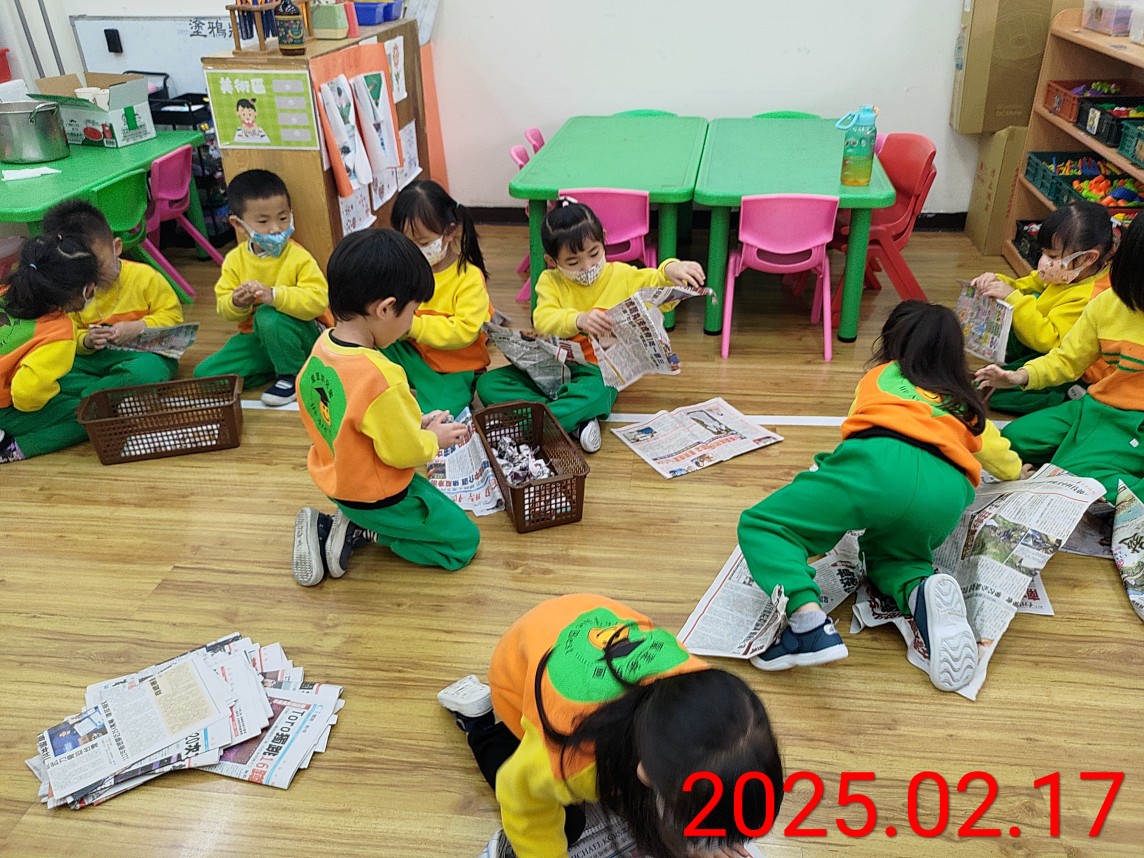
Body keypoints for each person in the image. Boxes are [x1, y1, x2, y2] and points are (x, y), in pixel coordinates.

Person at [739, 301, 1026, 693]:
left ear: (895, 344)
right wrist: (1020, 471)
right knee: (898, 558)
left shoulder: (881, 376)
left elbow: (854, 433)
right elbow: (1005, 463)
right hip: (946, 490)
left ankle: (806, 622)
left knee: (766, 525)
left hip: (877, 464)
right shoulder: (965, 404)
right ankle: (920, 590)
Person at [438, 594, 783, 858]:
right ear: (646, 773)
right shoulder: (569, 761)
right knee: (567, 823)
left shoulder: (701, 686)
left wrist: (706, 839)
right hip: (516, 669)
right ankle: (479, 725)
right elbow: (517, 794)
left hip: (582, 614)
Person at [291, 229, 480, 586]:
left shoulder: (323, 348)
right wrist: (434, 440)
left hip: (339, 481)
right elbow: (402, 453)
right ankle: (362, 532)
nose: (411, 322)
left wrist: (414, 421)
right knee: (462, 543)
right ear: (385, 308)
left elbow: (353, 420)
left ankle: (346, 521)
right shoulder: (381, 375)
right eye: (412, 312)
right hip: (379, 497)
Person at [475, 200, 705, 453]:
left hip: (597, 372)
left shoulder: (622, 275)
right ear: (552, 260)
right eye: (573, 262)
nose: (587, 266)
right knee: (488, 384)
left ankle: (541, 424)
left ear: (604, 239)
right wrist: (579, 319)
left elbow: (658, 284)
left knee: (598, 392)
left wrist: (671, 267)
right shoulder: (550, 281)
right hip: (554, 366)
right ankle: (575, 419)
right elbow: (543, 318)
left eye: (594, 254)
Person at [976, 211, 1144, 503]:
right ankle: (1086, 454)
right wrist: (1019, 375)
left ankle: (1090, 459)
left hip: (1134, 423)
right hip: (1093, 407)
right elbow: (1067, 359)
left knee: (1080, 476)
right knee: (1009, 441)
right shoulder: (1108, 303)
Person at [193, 169, 330, 407]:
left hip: (302, 333)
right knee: (206, 376)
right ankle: (276, 366)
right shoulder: (235, 260)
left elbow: (318, 301)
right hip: (257, 337)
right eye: (264, 222)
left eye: (283, 218)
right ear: (238, 224)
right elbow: (225, 308)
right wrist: (236, 303)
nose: (276, 228)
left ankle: (292, 376)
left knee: (268, 316)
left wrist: (274, 295)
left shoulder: (298, 256)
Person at [970, 202, 1114, 414]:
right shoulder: (1068, 274)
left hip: (1076, 371)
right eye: (1044, 253)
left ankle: (1068, 397)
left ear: (1088, 257)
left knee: (999, 393)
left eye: (1053, 257)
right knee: (1026, 301)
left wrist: (1014, 298)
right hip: (1047, 348)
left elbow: (1050, 342)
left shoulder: (1090, 296)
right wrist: (997, 282)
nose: (1044, 261)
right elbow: (1027, 284)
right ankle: (1017, 365)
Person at [41, 199, 184, 396]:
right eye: (81, 271)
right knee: (49, 370)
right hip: (94, 359)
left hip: (142, 354)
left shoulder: (145, 278)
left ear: (117, 248)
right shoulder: (72, 291)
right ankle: (108, 391)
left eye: (98, 266)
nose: (92, 277)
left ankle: (94, 395)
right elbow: (66, 332)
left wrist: (139, 327)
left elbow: (174, 320)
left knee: (147, 370)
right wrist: (86, 340)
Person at [386, 180, 493, 416]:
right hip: (414, 356)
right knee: (363, 346)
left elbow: (465, 331)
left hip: (455, 367)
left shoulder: (468, 278)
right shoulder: (405, 269)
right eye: (407, 243)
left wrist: (411, 325)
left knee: (438, 416)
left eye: (423, 243)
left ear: (449, 232)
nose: (414, 250)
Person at [0, 234, 99, 463]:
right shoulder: (59, 330)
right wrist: (48, 397)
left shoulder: (4, 291)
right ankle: (12, 448)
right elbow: (26, 395)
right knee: (87, 415)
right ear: (83, 290)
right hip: (4, 408)